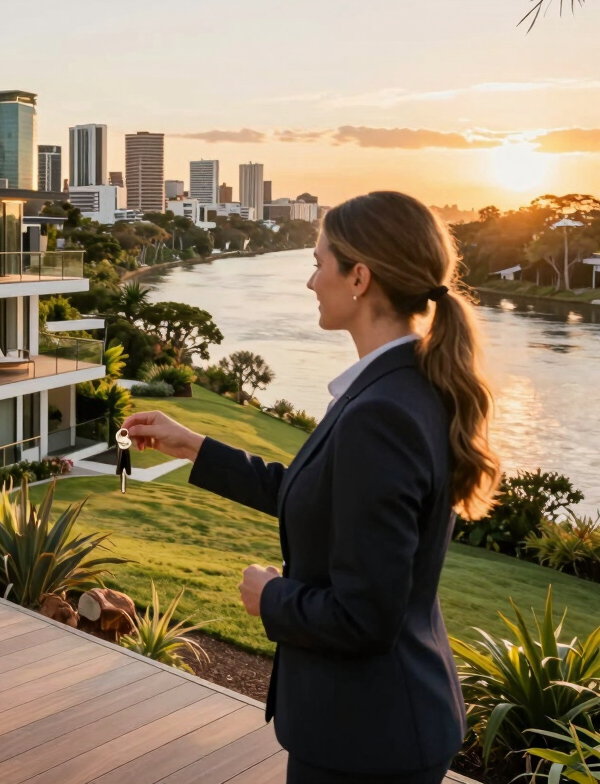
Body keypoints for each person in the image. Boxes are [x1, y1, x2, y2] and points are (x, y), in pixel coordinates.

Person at [123, 191, 500, 784]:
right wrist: (194, 445)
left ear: (359, 277)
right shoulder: (402, 386)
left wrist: (269, 598)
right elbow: (320, 498)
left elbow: (365, 616)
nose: (309, 281)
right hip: (380, 724)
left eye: (318, 262)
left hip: (368, 737)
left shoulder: (382, 413)